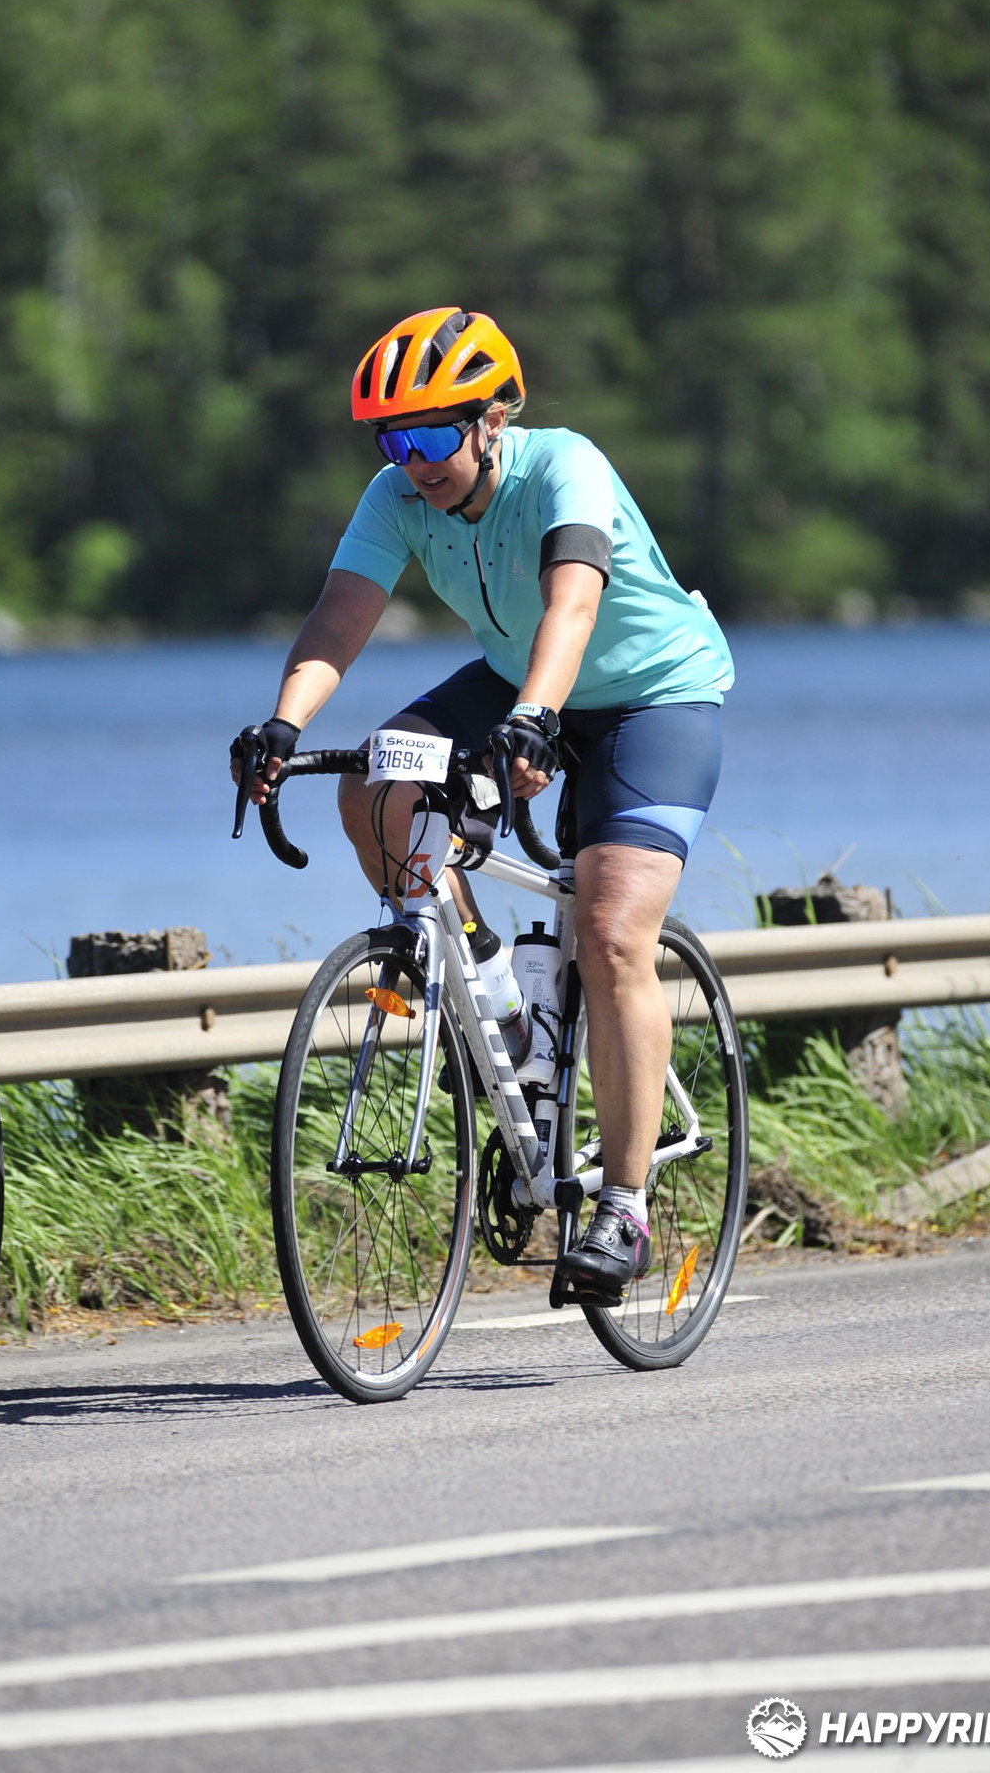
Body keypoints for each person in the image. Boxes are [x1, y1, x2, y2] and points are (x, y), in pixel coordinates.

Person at [233, 305, 733, 1304]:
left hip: (652, 694)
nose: (411, 462)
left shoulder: (566, 466)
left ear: (492, 419)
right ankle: (497, 998)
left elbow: (573, 605)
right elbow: (340, 617)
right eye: (392, 440)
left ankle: (623, 1206)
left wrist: (534, 721)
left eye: (429, 437)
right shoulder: (396, 495)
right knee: (376, 787)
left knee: (611, 930)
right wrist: (283, 725)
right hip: (516, 680)